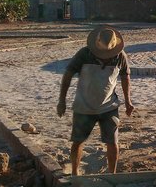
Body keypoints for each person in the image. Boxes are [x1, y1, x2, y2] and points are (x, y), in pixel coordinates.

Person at [57, 25, 134, 176]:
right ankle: (74, 173)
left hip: (109, 106)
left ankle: (113, 174)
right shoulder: (84, 54)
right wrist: (62, 101)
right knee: (78, 141)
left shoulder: (119, 56)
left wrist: (128, 101)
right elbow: (67, 75)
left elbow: (126, 77)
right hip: (84, 106)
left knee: (112, 142)